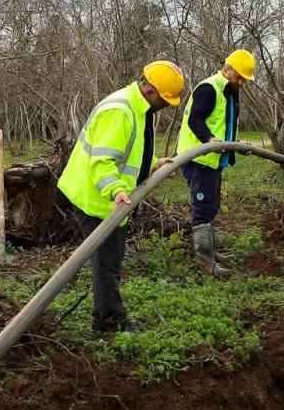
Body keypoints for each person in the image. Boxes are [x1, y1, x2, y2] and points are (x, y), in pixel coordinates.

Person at [56, 60, 187, 332]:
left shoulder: (138, 108)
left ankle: (107, 317)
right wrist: (116, 190)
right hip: (95, 196)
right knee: (107, 263)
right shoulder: (120, 111)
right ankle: (109, 322)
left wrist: (152, 164)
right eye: (165, 99)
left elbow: (129, 150)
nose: (165, 105)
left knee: (109, 260)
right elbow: (103, 162)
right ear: (151, 90)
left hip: (108, 195)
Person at [176, 49, 256, 276]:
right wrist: (210, 140)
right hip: (198, 159)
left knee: (212, 205)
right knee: (202, 208)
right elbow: (195, 120)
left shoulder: (230, 91)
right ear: (227, 68)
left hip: (214, 160)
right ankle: (204, 260)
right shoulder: (208, 89)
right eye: (239, 76)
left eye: (244, 79)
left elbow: (224, 122)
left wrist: (236, 144)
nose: (241, 82)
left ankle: (212, 251)